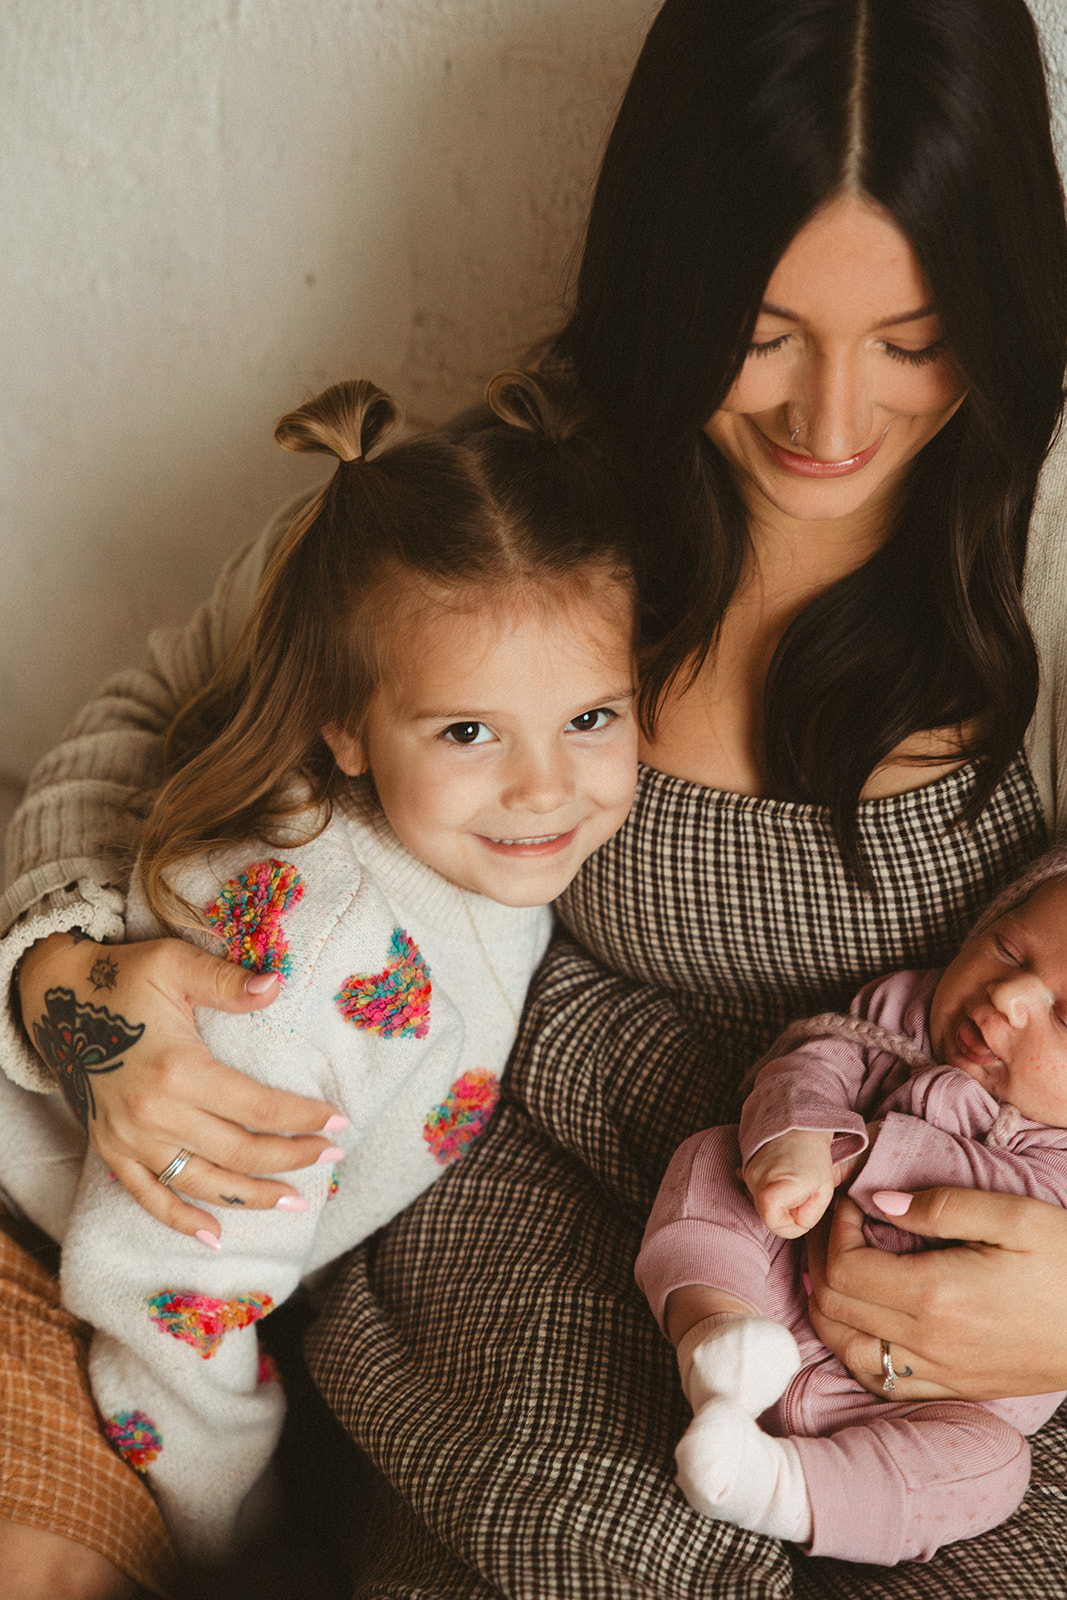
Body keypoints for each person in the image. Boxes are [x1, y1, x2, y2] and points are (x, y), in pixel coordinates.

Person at [4, 0, 1067, 1595]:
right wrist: (75, 988)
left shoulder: (1027, 580)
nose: (830, 425)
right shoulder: (527, 502)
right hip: (534, 1183)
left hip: (937, 1229)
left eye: (911, 344)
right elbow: (166, 708)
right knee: (617, 1550)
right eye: (760, 335)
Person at [1, 367, 639, 1578]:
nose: (544, 787)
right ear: (345, 727)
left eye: (593, 718)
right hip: (43, 1241)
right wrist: (231, 1536)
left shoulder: (478, 842)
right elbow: (166, 1304)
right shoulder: (297, 983)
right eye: (467, 732)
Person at [637, 847, 1067, 1565]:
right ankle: (715, 1342)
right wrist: (800, 1129)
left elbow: (1017, 1203)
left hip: (920, 1401)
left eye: (1066, 1015)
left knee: (994, 1468)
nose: (1007, 995)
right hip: (771, 1292)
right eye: (1006, 947)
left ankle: (782, 1486)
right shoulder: (905, 1011)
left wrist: (870, 1149)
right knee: (710, 1158)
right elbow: (819, 1054)